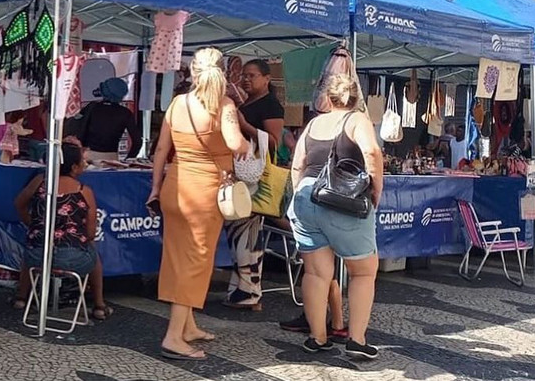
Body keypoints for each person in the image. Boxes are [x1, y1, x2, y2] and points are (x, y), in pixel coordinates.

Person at [149, 47, 249, 360]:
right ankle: (173, 337)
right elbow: (235, 144)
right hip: (205, 193)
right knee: (195, 263)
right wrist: (247, 141)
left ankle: (188, 326)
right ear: (223, 73)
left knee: (177, 259)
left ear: (193, 71)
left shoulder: (178, 103)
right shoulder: (224, 105)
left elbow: (161, 149)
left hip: (174, 187)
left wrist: (155, 188)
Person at [288, 73, 383, 359]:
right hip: (343, 202)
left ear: (327, 98)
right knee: (363, 272)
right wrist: (376, 190)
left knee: (316, 273)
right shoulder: (357, 120)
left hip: (306, 197)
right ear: (357, 99)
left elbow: (297, 164)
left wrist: (301, 195)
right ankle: (356, 340)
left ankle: (317, 338)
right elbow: (372, 152)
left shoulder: (314, 123)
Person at [12, 139, 112, 320]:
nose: (85, 165)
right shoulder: (84, 191)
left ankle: (21, 297)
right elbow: (90, 234)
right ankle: (99, 305)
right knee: (94, 255)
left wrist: (33, 225)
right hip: (73, 260)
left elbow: (19, 204)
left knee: (32, 244)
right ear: (74, 167)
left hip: (37, 257)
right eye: (82, 162)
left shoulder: (39, 181)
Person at [224, 59, 285, 310]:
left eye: (252, 75)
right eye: (244, 76)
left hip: (253, 177)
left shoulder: (270, 104)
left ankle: (251, 291)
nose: (247, 79)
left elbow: (273, 142)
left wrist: (243, 125)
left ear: (266, 78)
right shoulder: (244, 101)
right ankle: (240, 287)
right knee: (236, 231)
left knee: (248, 233)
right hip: (239, 174)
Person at [77, 77, 141, 162]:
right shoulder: (125, 113)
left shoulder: (92, 107)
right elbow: (137, 141)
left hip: (88, 156)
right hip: (111, 158)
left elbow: (79, 129)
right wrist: (128, 160)